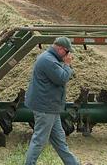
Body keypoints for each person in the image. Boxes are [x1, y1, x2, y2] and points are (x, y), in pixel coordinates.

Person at [25, 37, 79, 165]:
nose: (68, 55)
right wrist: (67, 65)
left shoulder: (50, 58)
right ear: (60, 49)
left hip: (51, 107)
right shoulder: (48, 60)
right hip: (45, 108)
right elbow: (62, 78)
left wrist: (65, 65)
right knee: (39, 141)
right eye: (67, 52)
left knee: (60, 141)